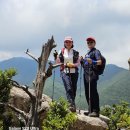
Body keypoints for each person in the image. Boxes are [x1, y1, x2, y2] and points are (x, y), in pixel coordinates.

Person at [56, 36, 80, 112]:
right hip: (64, 71)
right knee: (68, 87)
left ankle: (72, 104)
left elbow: (78, 62)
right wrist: (56, 57)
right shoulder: (61, 51)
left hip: (74, 71)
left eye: (69, 42)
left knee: (74, 88)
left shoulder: (75, 52)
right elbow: (58, 62)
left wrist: (74, 65)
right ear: (64, 43)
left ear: (72, 43)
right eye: (66, 42)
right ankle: (71, 105)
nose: (68, 43)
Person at [82, 37, 102, 117]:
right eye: (88, 43)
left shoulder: (96, 52)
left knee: (93, 91)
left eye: (91, 42)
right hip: (86, 73)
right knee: (87, 92)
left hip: (92, 73)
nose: (89, 44)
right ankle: (90, 110)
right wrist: (81, 61)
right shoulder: (88, 53)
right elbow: (85, 64)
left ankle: (96, 111)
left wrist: (92, 61)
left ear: (94, 43)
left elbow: (99, 62)